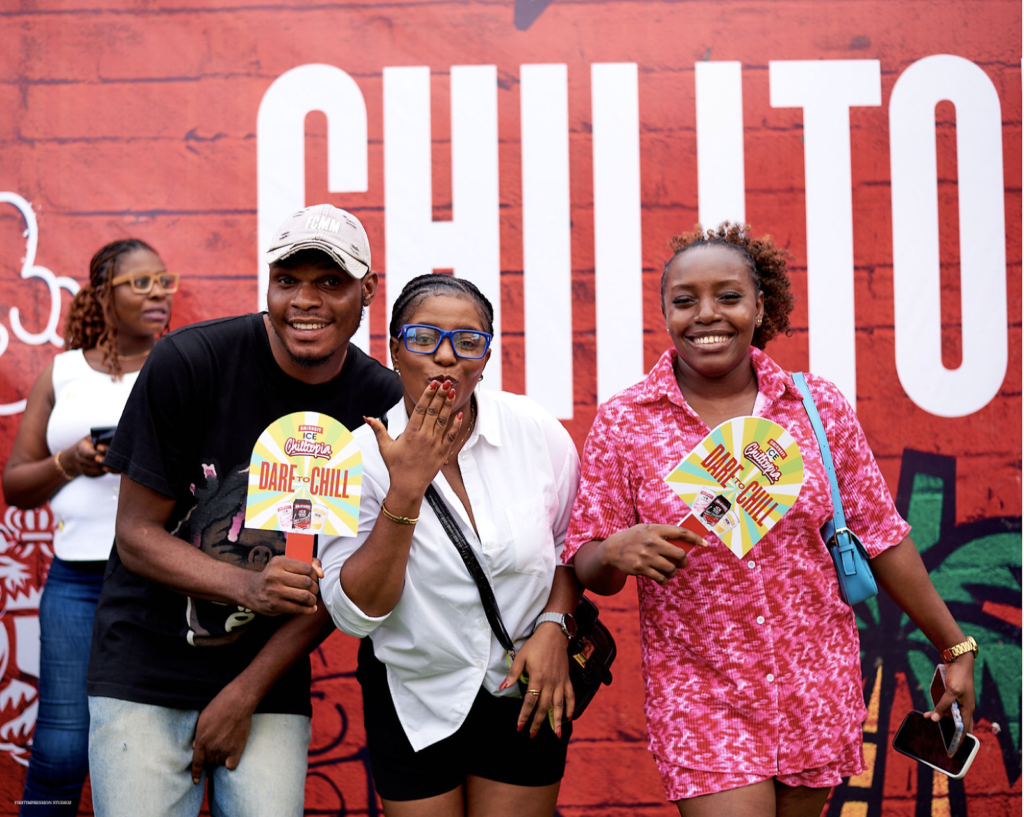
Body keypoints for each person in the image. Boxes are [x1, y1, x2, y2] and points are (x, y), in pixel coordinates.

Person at [563, 223, 977, 817]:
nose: (707, 314)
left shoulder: (816, 406)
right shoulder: (627, 421)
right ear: (666, 312)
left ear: (760, 307)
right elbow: (587, 562)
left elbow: (881, 536)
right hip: (703, 695)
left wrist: (954, 646)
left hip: (814, 685)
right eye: (685, 301)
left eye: (729, 297)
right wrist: (611, 552)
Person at [85, 204, 402, 817]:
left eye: (330, 281)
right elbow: (136, 536)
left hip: (269, 678)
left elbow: (347, 581)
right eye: (287, 280)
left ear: (367, 291)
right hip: (145, 668)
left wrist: (246, 692)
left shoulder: (380, 405)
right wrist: (249, 585)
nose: (304, 301)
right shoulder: (190, 362)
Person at [320, 273, 582, 817]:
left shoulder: (536, 433)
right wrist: (406, 489)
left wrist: (554, 627)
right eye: (423, 338)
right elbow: (354, 614)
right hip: (415, 694)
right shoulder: (356, 458)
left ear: (485, 358)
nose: (446, 357)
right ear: (395, 350)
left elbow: (570, 548)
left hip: (524, 687)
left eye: (467, 342)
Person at [2, 238, 176, 816]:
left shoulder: (179, 365)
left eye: (164, 281)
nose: (158, 293)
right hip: (75, 580)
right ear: (103, 294)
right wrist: (71, 461)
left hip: (161, 579)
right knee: (61, 745)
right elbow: (15, 485)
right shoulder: (63, 372)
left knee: (149, 737)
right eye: (141, 283)